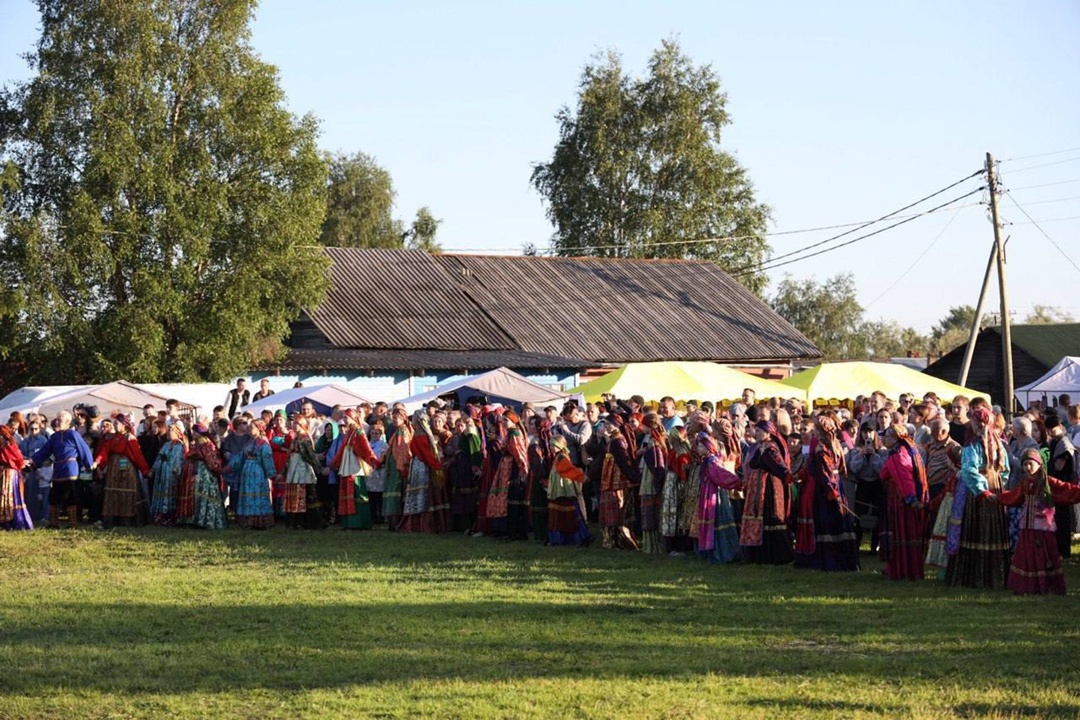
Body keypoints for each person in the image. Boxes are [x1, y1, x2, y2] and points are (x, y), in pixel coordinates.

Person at [994, 448, 1080, 594]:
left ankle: (1046, 585)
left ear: (1039, 464)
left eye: (1031, 464)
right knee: (1026, 554)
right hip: (1027, 526)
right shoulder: (1025, 482)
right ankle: (1025, 586)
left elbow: (1067, 490)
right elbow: (1014, 496)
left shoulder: (1048, 482)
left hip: (1042, 527)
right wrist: (997, 498)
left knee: (1044, 554)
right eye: (1025, 464)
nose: (1028, 467)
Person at [945, 404, 1010, 589]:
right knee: (994, 529)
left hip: (978, 494)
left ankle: (973, 577)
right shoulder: (998, 443)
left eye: (973, 421)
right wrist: (998, 485)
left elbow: (968, 470)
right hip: (995, 487)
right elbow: (1005, 470)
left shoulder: (973, 445)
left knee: (975, 529)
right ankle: (995, 577)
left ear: (978, 423)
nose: (971, 424)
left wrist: (982, 490)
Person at [793, 414, 860, 571]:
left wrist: (831, 491)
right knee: (839, 521)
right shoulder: (834, 444)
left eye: (816, 428)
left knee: (827, 522)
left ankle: (828, 560)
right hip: (837, 485)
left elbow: (825, 472)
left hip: (825, 489)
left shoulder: (821, 448)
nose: (813, 432)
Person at [878, 424, 929, 580]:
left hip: (901, 500)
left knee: (901, 533)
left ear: (894, 438)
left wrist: (911, 499)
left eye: (886, 436)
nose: (883, 439)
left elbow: (905, 479)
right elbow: (885, 473)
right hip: (904, 498)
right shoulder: (908, 450)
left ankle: (902, 570)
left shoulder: (898, 455)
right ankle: (905, 569)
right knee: (908, 534)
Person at [28, 410, 94, 529]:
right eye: (57, 419)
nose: (57, 422)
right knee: (54, 497)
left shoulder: (73, 435)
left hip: (70, 469)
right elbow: (44, 451)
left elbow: (84, 449)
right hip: (58, 469)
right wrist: (33, 461)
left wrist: (89, 464)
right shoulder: (54, 437)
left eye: (60, 420)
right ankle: (54, 523)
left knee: (70, 497)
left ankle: (72, 524)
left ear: (68, 422)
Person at [743, 420, 794, 565]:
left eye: (759, 431)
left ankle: (776, 555)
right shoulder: (760, 446)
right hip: (759, 486)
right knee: (762, 516)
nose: (756, 433)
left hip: (768, 487)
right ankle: (761, 554)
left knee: (770, 515)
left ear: (767, 433)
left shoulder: (770, 448)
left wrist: (788, 475)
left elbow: (778, 464)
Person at [96, 415, 152, 528]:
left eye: (117, 423)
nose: (115, 425)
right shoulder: (113, 438)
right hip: (113, 469)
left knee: (125, 492)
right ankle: (112, 520)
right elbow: (105, 451)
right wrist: (98, 462)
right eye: (115, 423)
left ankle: (127, 520)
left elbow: (137, 455)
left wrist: (145, 470)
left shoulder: (130, 438)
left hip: (127, 469)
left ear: (124, 425)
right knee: (113, 492)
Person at [694, 432, 742, 564]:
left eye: (701, 446)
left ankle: (722, 553)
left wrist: (738, 483)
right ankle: (712, 552)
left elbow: (722, 476)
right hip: (707, 493)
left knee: (718, 521)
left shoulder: (712, 461)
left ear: (708, 448)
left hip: (714, 494)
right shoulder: (706, 461)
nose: (698, 449)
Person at [330, 409, 381, 530]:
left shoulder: (358, 432)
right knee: (347, 493)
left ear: (353, 418)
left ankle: (359, 522)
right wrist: (335, 462)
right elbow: (342, 449)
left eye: (346, 417)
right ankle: (349, 522)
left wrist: (373, 461)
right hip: (347, 466)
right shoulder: (349, 432)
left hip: (355, 467)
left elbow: (365, 448)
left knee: (356, 493)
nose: (345, 420)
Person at [598, 420, 640, 550]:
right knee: (611, 512)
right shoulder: (613, 440)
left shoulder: (618, 441)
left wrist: (633, 477)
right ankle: (611, 541)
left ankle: (619, 541)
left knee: (616, 512)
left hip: (617, 482)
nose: (606, 426)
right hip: (609, 482)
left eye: (609, 423)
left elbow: (623, 461)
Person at [400, 411, 443, 533]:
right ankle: (422, 525)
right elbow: (426, 455)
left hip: (417, 465)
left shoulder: (417, 435)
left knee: (417, 493)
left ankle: (416, 524)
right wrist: (438, 465)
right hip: (422, 466)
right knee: (422, 493)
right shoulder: (422, 436)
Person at [846, 422, 887, 551]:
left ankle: (874, 546)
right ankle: (856, 544)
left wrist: (874, 455)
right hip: (862, 484)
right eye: (864, 432)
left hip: (877, 485)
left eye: (870, 432)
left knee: (878, 514)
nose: (867, 435)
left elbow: (881, 471)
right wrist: (860, 455)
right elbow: (853, 468)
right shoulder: (855, 450)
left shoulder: (882, 451)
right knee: (859, 514)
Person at [546, 435, 592, 547]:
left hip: (563, 491)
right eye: (551, 445)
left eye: (554, 445)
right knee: (563, 515)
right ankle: (564, 539)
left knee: (568, 514)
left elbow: (570, 470)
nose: (552, 447)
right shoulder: (558, 457)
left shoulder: (561, 458)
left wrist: (582, 477)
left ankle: (577, 537)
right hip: (560, 491)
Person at [1044, 414, 1077, 558]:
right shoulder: (1054, 442)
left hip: (1063, 485)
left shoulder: (1064, 444)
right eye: (1049, 430)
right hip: (1055, 485)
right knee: (1057, 519)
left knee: (1063, 519)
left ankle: (1065, 551)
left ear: (1061, 426)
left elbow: (1059, 467)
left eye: (1054, 429)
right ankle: (1058, 549)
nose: (1051, 432)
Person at [636, 413, 668, 555]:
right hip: (650, 478)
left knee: (650, 512)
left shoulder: (654, 442)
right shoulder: (658, 440)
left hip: (650, 480)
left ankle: (652, 545)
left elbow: (656, 464)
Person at [186, 424, 227, 529]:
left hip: (204, 471)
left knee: (204, 493)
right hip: (198, 471)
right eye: (193, 432)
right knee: (199, 494)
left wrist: (216, 470)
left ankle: (205, 520)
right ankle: (200, 520)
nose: (193, 434)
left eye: (195, 432)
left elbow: (210, 458)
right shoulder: (199, 442)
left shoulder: (204, 442)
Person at [284, 418, 322, 529]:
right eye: (294, 423)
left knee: (305, 493)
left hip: (302, 469)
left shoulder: (304, 438)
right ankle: (295, 521)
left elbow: (311, 455)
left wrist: (318, 468)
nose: (294, 425)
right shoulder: (296, 438)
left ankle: (307, 521)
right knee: (296, 493)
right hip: (294, 467)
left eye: (297, 423)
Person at [149, 423, 187, 526]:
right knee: (160, 493)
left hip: (170, 474)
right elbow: (159, 457)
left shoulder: (180, 446)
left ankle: (169, 518)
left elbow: (178, 461)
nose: (169, 433)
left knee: (169, 493)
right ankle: (159, 517)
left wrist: (176, 472)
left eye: (171, 431)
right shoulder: (166, 444)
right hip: (162, 472)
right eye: (169, 431)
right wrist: (153, 469)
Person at [0, 426, 33, 530]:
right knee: (9, 495)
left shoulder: (7, 444)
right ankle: (9, 521)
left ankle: (10, 521)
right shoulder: (9, 444)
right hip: (8, 472)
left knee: (9, 495)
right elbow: (18, 458)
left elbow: (17, 458)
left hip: (8, 472)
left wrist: (21, 463)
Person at [19, 419, 50, 524]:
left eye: (36, 429)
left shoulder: (43, 440)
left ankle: (44, 516)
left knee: (43, 493)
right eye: (31, 429)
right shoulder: (25, 442)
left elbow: (47, 453)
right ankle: (32, 515)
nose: (33, 431)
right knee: (31, 493)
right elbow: (22, 455)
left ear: (39, 429)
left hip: (42, 468)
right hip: (30, 470)